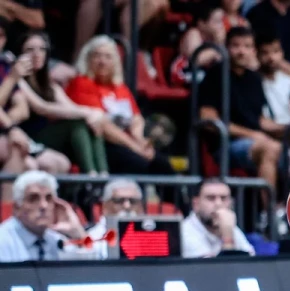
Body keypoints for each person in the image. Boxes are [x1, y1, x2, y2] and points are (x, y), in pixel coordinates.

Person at [67, 35, 175, 177]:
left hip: (127, 142)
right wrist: (133, 146)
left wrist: (139, 139)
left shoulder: (120, 87)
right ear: (88, 59)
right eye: (97, 56)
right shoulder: (81, 83)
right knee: (137, 162)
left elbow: (136, 117)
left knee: (163, 164)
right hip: (99, 143)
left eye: (108, 57)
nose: (102, 61)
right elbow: (103, 125)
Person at [9, 32, 108, 175]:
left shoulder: (50, 84)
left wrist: (93, 115)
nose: (37, 54)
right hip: (30, 137)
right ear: (20, 54)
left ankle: (103, 175)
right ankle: (91, 176)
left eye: (42, 49)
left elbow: (71, 108)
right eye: (30, 50)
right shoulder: (17, 79)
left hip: (48, 137)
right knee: (78, 124)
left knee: (89, 123)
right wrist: (89, 112)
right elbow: (42, 107)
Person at [0, 170, 86, 263]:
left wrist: (78, 233)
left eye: (49, 198)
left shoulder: (55, 239)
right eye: (33, 198)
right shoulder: (3, 241)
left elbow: (92, 267)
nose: (43, 205)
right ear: (17, 208)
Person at [181, 178, 255, 258]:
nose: (218, 204)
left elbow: (250, 260)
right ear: (196, 204)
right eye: (211, 198)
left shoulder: (228, 225)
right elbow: (215, 269)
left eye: (223, 198)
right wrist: (228, 240)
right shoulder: (185, 232)